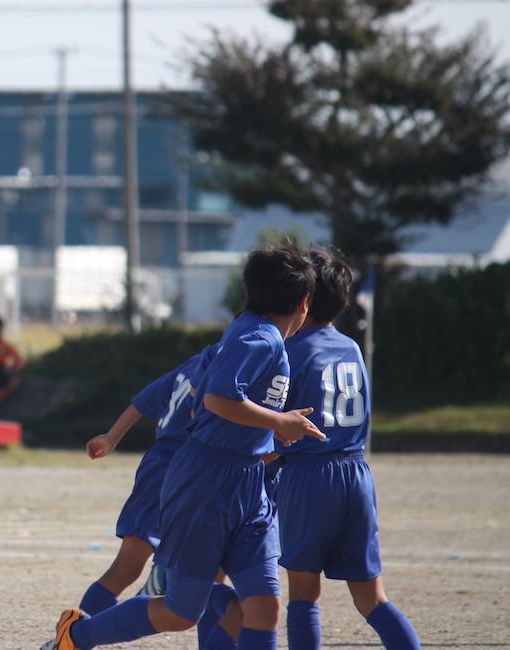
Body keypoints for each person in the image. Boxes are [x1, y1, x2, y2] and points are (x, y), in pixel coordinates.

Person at [49, 243, 325, 650]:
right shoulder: (260, 338)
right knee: (181, 612)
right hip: (205, 483)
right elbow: (217, 399)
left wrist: (272, 431)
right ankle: (75, 636)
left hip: (247, 483)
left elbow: (214, 406)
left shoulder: (248, 329)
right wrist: (280, 422)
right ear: (304, 302)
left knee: (264, 606)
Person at [274, 247, 421, 650]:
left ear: (301, 299)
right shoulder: (352, 347)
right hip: (356, 473)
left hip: (309, 475)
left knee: (304, 592)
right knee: (372, 596)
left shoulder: (290, 351)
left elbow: (280, 425)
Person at [39, 343, 225, 650]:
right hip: (172, 465)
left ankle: (165, 575)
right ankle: (71, 639)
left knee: (212, 573)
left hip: (196, 469)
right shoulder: (240, 358)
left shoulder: (203, 357)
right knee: (128, 565)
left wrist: (112, 436)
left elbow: (146, 398)